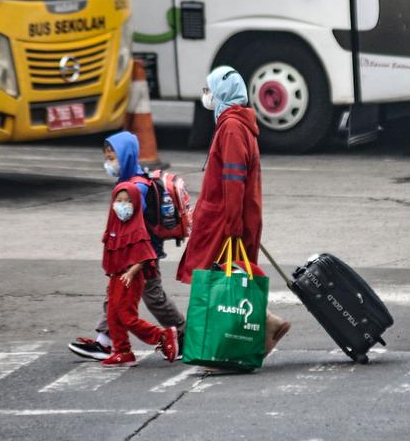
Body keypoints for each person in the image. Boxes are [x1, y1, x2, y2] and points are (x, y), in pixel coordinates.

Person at [177, 66, 290, 354]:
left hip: (224, 217)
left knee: (214, 278)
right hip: (228, 214)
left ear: (223, 93)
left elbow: (233, 178)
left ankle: (208, 343)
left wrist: (231, 222)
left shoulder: (231, 128)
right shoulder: (237, 124)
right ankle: (262, 325)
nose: (207, 95)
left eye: (210, 89)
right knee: (229, 276)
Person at [69, 132, 186, 361]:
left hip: (141, 253)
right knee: (115, 295)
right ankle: (105, 341)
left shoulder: (136, 187)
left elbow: (132, 224)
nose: (109, 162)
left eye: (113, 157)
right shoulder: (130, 181)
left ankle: (182, 334)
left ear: (127, 155)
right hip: (129, 252)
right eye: (107, 157)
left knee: (152, 296)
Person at [98, 168, 180, 367]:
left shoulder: (137, 228)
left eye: (127, 201)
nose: (122, 206)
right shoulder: (115, 226)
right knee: (113, 315)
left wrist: (132, 272)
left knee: (127, 316)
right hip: (117, 276)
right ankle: (122, 351)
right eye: (119, 201)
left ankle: (162, 335)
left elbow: (145, 255)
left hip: (131, 278)